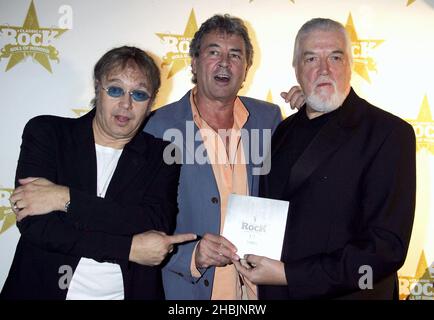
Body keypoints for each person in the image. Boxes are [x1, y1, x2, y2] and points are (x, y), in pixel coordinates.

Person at [234, 18, 416, 299]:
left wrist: (287, 275)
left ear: (350, 65)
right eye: (311, 59)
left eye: (335, 56)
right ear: (296, 69)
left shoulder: (389, 133)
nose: (324, 69)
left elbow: (385, 249)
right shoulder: (283, 130)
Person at [1, 46, 196, 300]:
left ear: (151, 102)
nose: (126, 104)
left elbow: (152, 222)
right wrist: (129, 248)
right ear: (97, 88)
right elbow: (38, 227)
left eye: (139, 94)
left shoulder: (163, 156)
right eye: (115, 90)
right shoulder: (48, 133)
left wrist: (64, 198)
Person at [144, 14, 282, 299]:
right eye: (213, 52)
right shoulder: (157, 127)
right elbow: (140, 223)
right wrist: (192, 255)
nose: (224, 62)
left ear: (246, 69)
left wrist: (311, 110)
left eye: (235, 55)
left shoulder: (269, 119)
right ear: (194, 62)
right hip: (189, 292)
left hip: (256, 293)